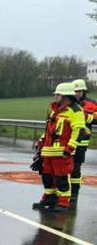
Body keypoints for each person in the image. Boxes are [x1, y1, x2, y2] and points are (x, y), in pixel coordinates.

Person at [32, 82, 85, 212]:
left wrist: (69, 149)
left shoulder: (75, 110)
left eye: (57, 95)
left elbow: (78, 131)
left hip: (62, 152)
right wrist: (40, 142)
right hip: (48, 152)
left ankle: (63, 202)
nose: (55, 97)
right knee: (47, 177)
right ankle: (49, 198)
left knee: (62, 178)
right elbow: (48, 130)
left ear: (65, 96)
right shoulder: (55, 111)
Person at [71, 79, 95, 203]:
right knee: (65, 167)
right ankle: (64, 192)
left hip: (82, 141)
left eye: (79, 91)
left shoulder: (91, 103)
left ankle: (74, 193)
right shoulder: (68, 102)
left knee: (76, 167)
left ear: (83, 91)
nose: (77, 93)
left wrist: (87, 117)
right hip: (68, 139)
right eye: (75, 91)